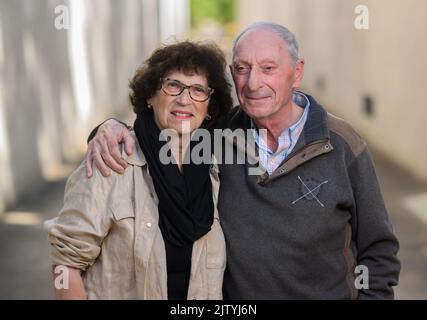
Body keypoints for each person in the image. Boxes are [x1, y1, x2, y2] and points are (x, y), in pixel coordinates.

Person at [84, 22, 401, 299]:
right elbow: (165, 125)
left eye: (268, 68)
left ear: (297, 72)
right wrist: (111, 128)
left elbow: (379, 248)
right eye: (241, 68)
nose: (252, 83)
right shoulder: (215, 136)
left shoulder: (343, 145)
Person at [44, 41, 233, 299]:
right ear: (150, 95)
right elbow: (65, 265)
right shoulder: (109, 161)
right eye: (173, 85)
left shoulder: (218, 169)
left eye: (198, 89)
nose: (184, 99)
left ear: (209, 107)